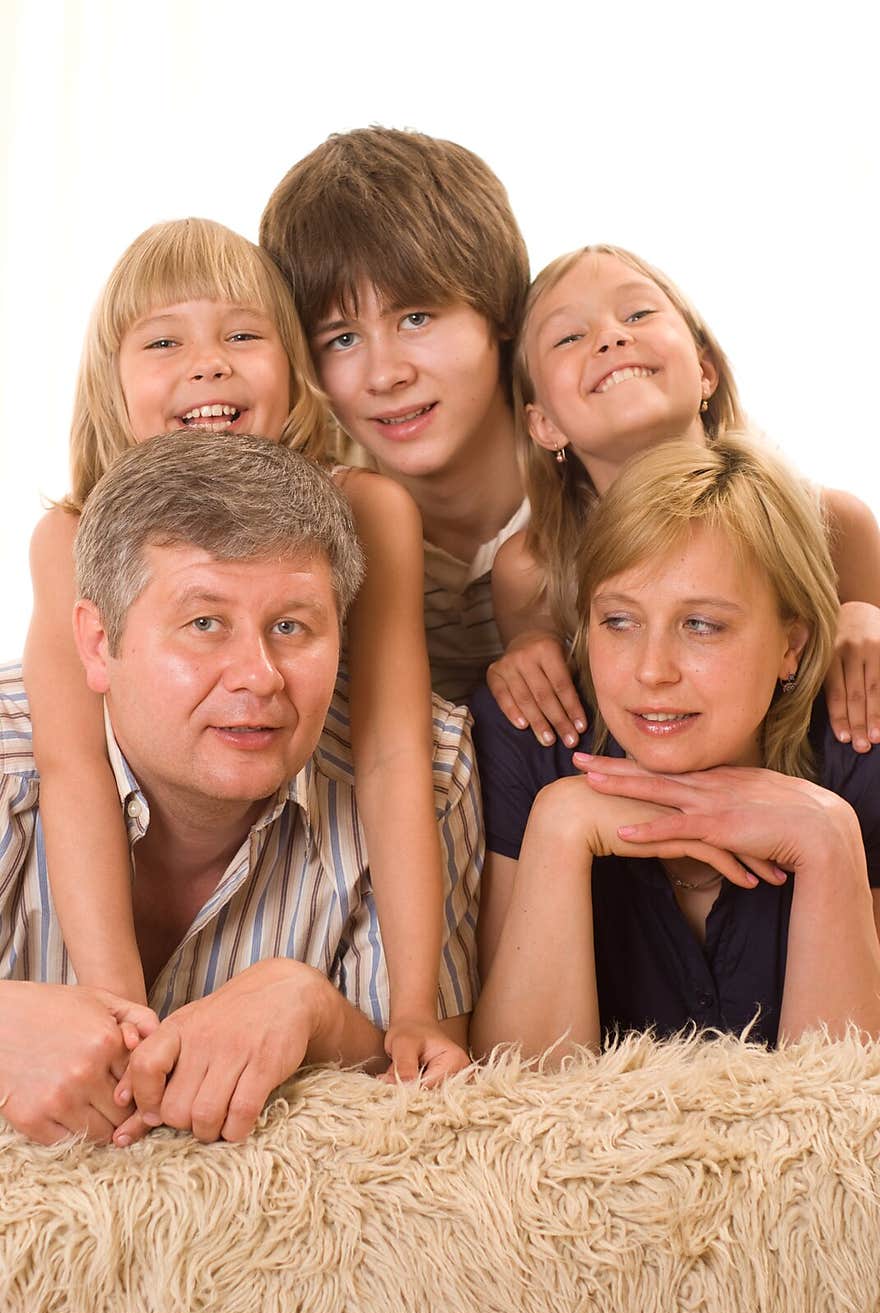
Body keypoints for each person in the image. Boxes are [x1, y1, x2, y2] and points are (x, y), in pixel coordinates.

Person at [23, 217, 470, 1083]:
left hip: (293, 798)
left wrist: (415, 1002)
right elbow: (72, 766)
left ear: (293, 369)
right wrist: (121, 1015)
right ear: (111, 386)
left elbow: (389, 750)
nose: (208, 363)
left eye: (242, 333)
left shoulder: (367, 509)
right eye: (164, 340)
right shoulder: (71, 533)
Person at [1, 431, 480, 1148]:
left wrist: (314, 1010)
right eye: (204, 624)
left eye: (291, 626)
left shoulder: (429, 775)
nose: (259, 676)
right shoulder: (12, 767)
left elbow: (430, 1094)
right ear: (100, 644)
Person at [469, 433, 880, 1060]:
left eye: (702, 625)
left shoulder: (862, 746)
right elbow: (513, 1107)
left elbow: (845, 1121)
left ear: (790, 646)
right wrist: (560, 826)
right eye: (620, 621)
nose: (652, 670)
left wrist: (829, 842)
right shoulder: (533, 737)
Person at [486, 244, 880, 754]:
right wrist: (525, 651)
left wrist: (861, 614)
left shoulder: (834, 523)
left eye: (638, 314)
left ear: (705, 371)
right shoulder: (531, 569)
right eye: (569, 337)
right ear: (544, 424)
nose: (611, 336)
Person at [259, 124, 531, 704]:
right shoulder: (311, 523)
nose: (385, 375)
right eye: (342, 339)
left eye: (416, 318)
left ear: (499, 308)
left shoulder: (601, 468)